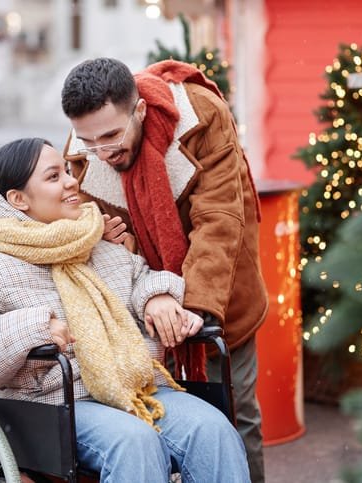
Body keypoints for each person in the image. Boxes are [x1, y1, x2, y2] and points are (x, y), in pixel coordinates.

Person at [0, 137, 250, 483]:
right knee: (134, 442)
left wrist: (156, 296)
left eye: (68, 171)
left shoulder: (97, 243)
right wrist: (29, 328)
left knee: (213, 430)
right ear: (18, 199)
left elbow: (137, 277)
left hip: (134, 390)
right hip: (51, 407)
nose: (72, 181)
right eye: (54, 176)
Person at [61, 58, 269, 482]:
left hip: (219, 292)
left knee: (235, 412)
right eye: (89, 141)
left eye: (112, 136)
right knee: (158, 419)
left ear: (138, 110)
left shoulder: (202, 116)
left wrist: (192, 306)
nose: (102, 151)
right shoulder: (85, 149)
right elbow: (104, 242)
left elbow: (219, 220)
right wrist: (123, 250)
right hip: (143, 310)